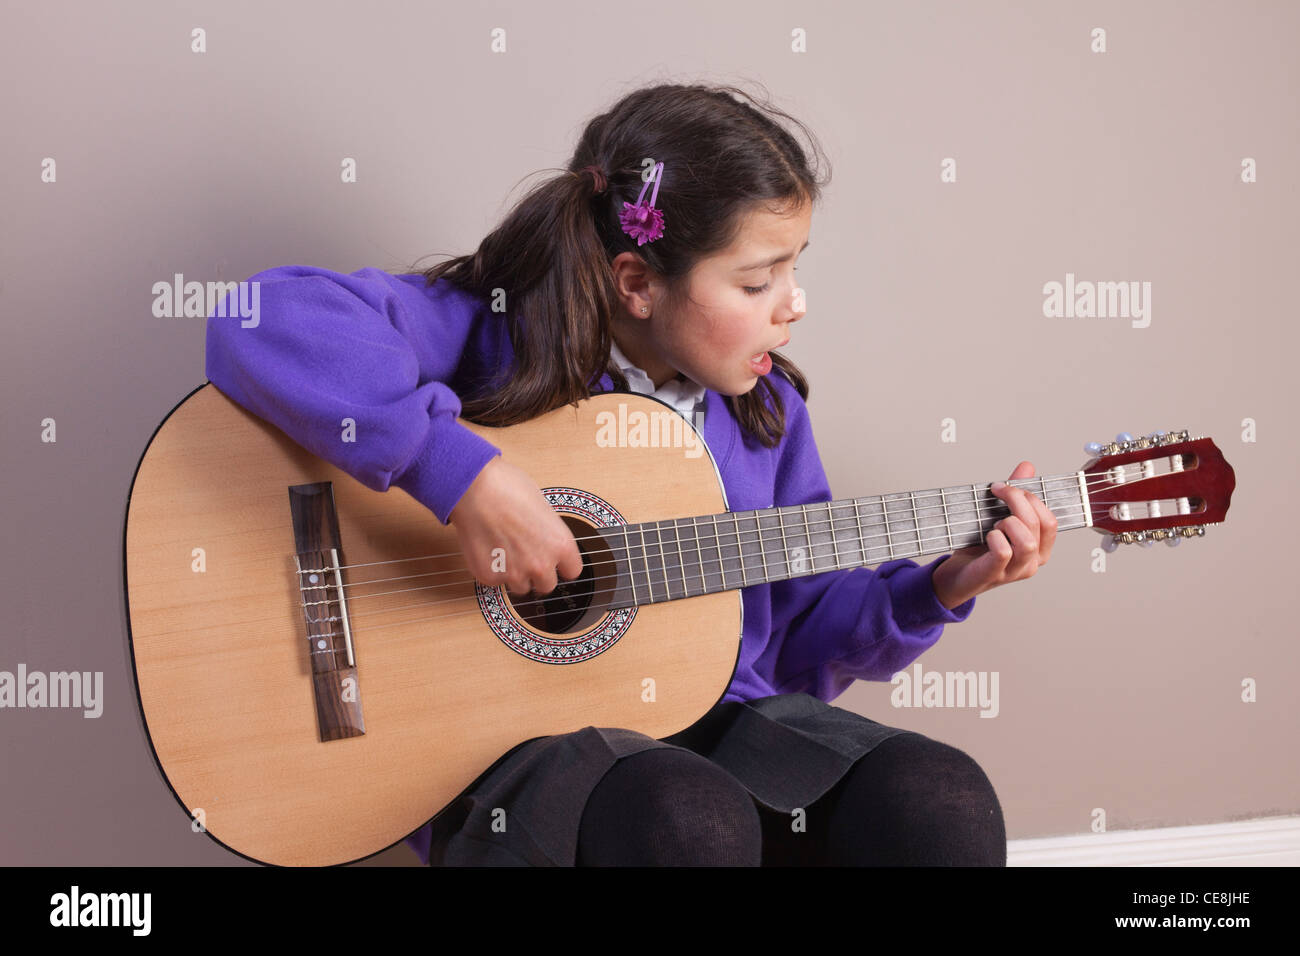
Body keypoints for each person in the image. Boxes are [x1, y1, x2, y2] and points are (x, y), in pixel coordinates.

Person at [205, 82, 1056, 866]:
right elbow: (260, 318)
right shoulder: (490, 336)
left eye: (795, 270)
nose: (795, 304)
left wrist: (937, 588)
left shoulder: (767, 418)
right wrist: (463, 478)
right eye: (760, 280)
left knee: (939, 800)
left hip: (717, 730)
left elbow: (794, 645)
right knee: (684, 817)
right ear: (639, 281)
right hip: (513, 754)